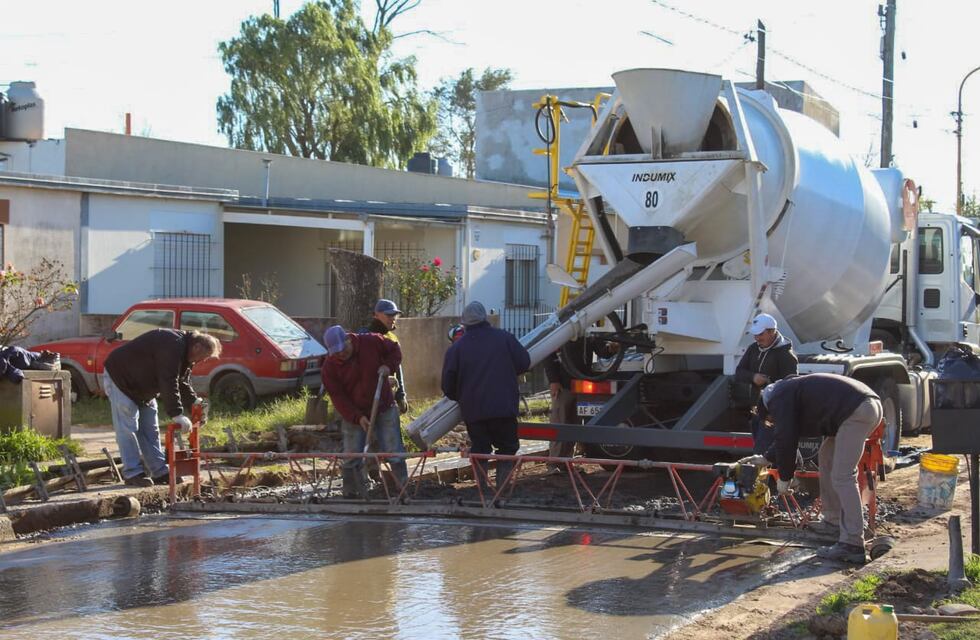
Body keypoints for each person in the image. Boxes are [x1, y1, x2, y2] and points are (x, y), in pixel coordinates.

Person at [742, 373, 883, 564]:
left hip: (856, 411)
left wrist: (784, 478)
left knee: (843, 476)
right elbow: (788, 434)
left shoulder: (778, 397)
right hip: (861, 407)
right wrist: (766, 458)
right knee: (827, 457)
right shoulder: (787, 391)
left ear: (767, 408)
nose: (774, 423)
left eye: (772, 420)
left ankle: (852, 544)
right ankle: (833, 523)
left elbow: (785, 437)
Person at [103, 329, 221, 487]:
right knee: (127, 428)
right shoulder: (172, 345)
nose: (202, 361)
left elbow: (182, 381)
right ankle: (133, 473)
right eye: (204, 357)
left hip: (143, 386)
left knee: (151, 429)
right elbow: (168, 379)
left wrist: (195, 404)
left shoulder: (185, 352)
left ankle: (159, 471)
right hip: (121, 378)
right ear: (197, 347)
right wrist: (177, 413)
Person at [442, 301, 531, 492]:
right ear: (485, 318)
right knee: (507, 449)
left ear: (464, 323)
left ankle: (483, 491)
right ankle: (503, 490)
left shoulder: (457, 348)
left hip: (474, 411)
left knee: (480, 450)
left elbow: (447, 386)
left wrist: (463, 396)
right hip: (504, 407)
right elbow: (525, 362)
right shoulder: (505, 338)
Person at [321, 324, 408, 498]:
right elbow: (338, 397)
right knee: (352, 454)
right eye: (336, 352)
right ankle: (351, 493)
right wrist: (357, 417)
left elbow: (395, 350)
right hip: (354, 411)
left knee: (393, 450)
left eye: (343, 349)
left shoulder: (372, 342)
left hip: (383, 406)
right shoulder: (330, 367)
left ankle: (402, 489)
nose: (341, 354)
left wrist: (388, 367)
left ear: (348, 339)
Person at [735, 313, 798, 454]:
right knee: (761, 451)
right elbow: (739, 372)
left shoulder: (786, 355)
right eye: (755, 335)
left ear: (772, 332)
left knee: (761, 452)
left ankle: (770, 474)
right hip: (756, 411)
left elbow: (792, 386)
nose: (757, 338)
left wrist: (772, 387)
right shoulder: (753, 348)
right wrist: (753, 377)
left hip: (773, 414)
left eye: (760, 334)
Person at [360, 299, 409, 414]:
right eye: (389, 314)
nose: (393, 318)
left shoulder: (392, 338)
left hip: (387, 396)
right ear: (376, 315)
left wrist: (401, 394)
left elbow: (397, 367)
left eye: (395, 315)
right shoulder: (363, 336)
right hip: (366, 395)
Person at [543, 351, 576, 470]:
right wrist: (554, 380)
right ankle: (554, 463)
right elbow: (548, 357)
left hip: (579, 383)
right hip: (563, 385)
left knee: (573, 425)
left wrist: (609, 350)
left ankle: (565, 462)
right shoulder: (561, 336)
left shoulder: (583, 336)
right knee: (559, 423)